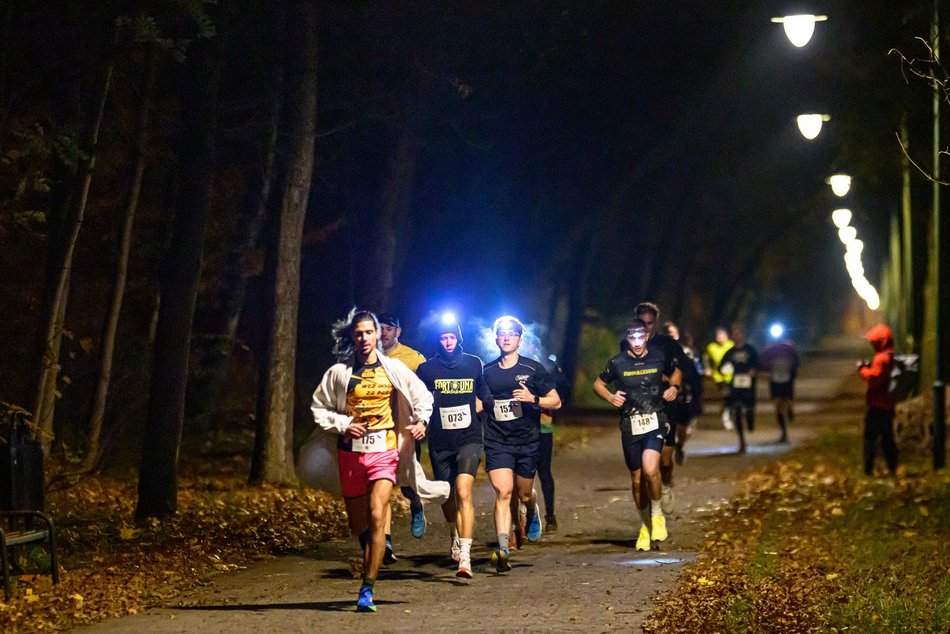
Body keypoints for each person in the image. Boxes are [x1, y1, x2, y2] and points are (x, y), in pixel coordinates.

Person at [310, 309, 433, 612]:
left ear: (379, 334)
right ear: (353, 336)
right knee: (358, 524)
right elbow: (318, 407)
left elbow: (422, 396)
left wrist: (422, 422)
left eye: (369, 332)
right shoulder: (340, 373)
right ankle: (373, 549)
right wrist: (342, 425)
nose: (364, 337)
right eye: (359, 333)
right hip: (350, 454)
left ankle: (368, 588)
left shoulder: (393, 369)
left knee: (378, 514)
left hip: (384, 450)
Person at [595, 319, 682, 551]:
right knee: (636, 479)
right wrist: (611, 397)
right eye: (632, 337)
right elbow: (599, 384)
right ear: (627, 337)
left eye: (640, 337)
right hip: (630, 424)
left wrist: (674, 388)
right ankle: (644, 526)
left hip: (655, 419)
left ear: (646, 336)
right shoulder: (617, 362)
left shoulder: (658, 356)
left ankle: (657, 515)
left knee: (650, 469)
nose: (636, 342)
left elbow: (676, 373)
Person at [482, 316, 561, 573]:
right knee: (504, 493)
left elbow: (556, 401)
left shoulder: (533, 369)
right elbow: (479, 403)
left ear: (519, 339)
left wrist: (532, 398)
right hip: (497, 441)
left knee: (523, 493)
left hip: (527, 441)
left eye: (512, 334)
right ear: (496, 338)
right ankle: (503, 549)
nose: (506, 338)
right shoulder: (486, 372)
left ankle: (531, 507)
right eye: (502, 334)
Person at [415, 318, 490, 578]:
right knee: (447, 497)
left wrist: (486, 407)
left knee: (464, 492)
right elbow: (419, 402)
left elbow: (484, 393)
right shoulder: (426, 369)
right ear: (438, 340)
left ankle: (466, 558)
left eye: (452, 337)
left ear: (459, 338)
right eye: (443, 338)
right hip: (440, 442)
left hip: (469, 439)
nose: (448, 342)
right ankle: (453, 533)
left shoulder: (473, 363)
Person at [632, 302, 690, 514]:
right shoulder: (628, 343)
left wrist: (673, 384)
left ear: (656, 322)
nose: (647, 328)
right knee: (645, 463)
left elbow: (680, 370)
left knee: (665, 459)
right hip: (641, 407)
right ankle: (650, 507)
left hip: (665, 404)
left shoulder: (668, 344)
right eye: (643, 323)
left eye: (650, 323)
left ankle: (666, 484)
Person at [378, 312, 430, 540]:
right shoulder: (368, 355)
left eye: (388, 328)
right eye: (379, 328)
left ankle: (416, 506)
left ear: (397, 332)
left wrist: (423, 420)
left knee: (408, 479)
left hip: (405, 429)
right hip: (377, 429)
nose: (383, 333)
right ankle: (384, 538)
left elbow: (427, 391)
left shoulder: (413, 358)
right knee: (381, 483)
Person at [858, 324, 898, 476]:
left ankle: (868, 470)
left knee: (870, 438)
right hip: (888, 405)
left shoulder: (881, 358)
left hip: (876, 405)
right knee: (887, 438)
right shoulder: (890, 356)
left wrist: (862, 370)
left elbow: (874, 379)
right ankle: (892, 468)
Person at [664, 321, 704, 465]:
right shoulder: (657, 353)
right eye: (668, 334)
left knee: (682, 427)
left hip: (682, 397)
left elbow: (694, 376)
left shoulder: (685, 354)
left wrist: (698, 396)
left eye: (673, 333)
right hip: (664, 398)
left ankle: (679, 446)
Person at [538, 354, 570, 532]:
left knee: (543, 471)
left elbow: (564, 386)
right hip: (516, 430)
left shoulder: (547, 365)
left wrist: (554, 404)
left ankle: (550, 515)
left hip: (542, 428)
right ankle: (520, 518)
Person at [718, 324, 759, 454]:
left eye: (738, 334)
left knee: (749, 409)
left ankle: (750, 419)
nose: (736, 336)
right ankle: (742, 441)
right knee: (736, 410)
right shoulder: (730, 353)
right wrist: (725, 370)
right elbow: (721, 366)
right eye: (734, 334)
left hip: (749, 385)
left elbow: (758, 363)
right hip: (735, 385)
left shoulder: (750, 350)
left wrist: (753, 370)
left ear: (743, 335)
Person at [761, 336, 800, 443]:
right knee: (778, 405)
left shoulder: (788, 348)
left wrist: (793, 372)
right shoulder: (769, 350)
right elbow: (763, 363)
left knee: (787, 401)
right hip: (775, 381)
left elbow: (796, 361)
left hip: (787, 380)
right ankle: (783, 433)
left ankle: (790, 410)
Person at [703, 326, 735, 430]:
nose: (720, 339)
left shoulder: (731, 345)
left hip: (732, 376)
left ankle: (726, 411)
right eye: (718, 337)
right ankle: (725, 417)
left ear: (727, 336)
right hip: (719, 377)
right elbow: (705, 359)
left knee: (731, 397)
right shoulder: (711, 347)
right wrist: (707, 368)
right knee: (727, 395)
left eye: (722, 336)